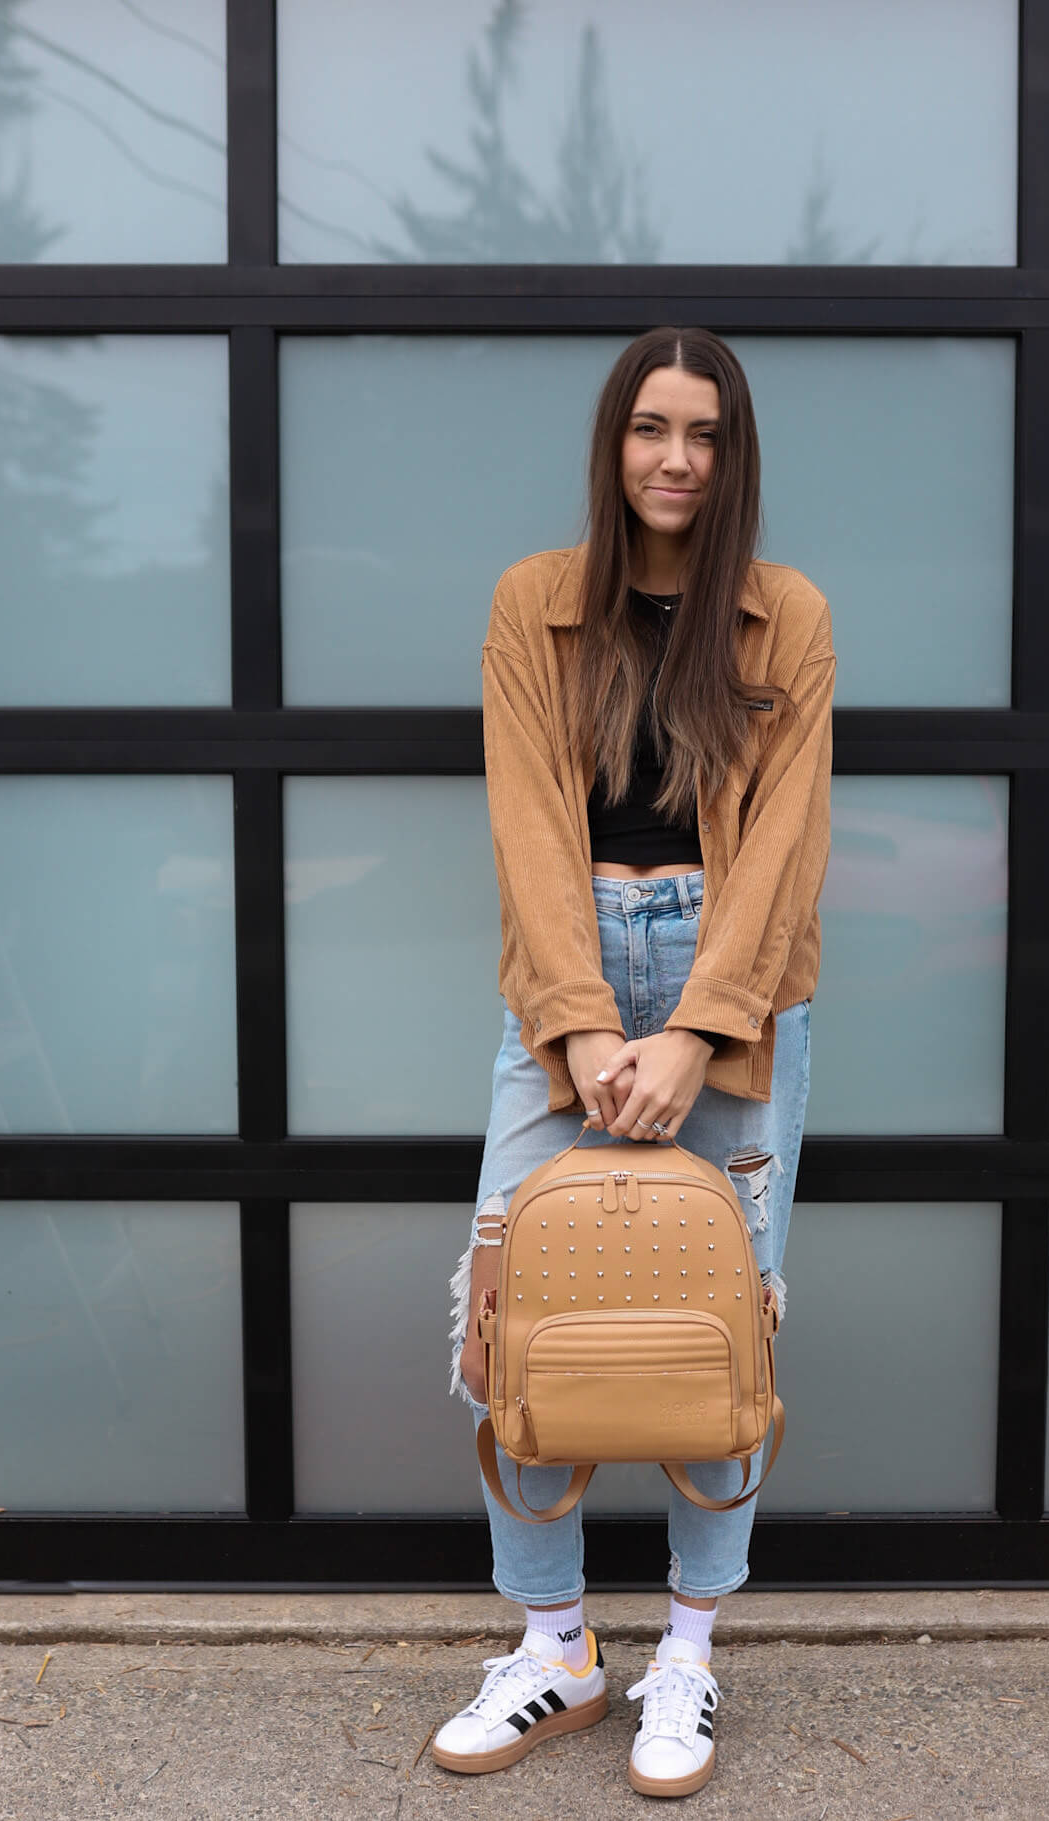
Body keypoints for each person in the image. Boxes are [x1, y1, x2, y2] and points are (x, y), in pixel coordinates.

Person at [434, 325, 835, 1798]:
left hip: (733, 990)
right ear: (613, 443)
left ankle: (685, 1654)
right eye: (651, 427)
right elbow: (526, 820)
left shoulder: (782, 614)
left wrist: (693, 1029)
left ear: (733, 456)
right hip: (569, 977)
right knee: (505, 1323)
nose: (676, 457)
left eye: (706, 433)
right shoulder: (533, 604)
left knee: (724, 1329)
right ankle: (556, 1647)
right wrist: (587, 1021)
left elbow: (784, 847)